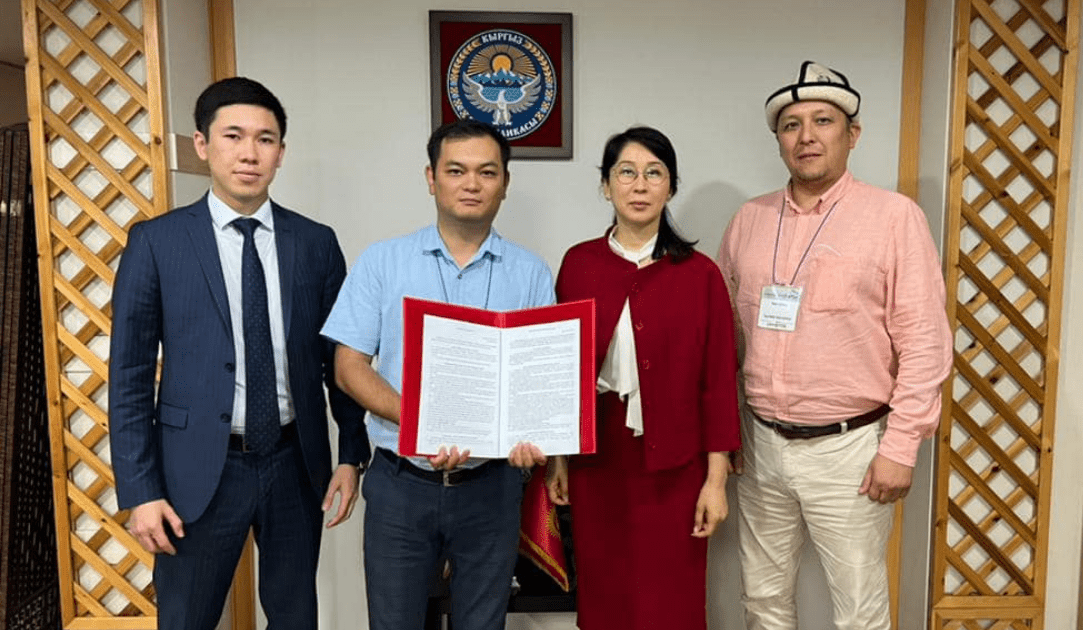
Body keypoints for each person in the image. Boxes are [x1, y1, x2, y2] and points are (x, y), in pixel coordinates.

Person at [109, 77, 371, 630]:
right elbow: (129, 375)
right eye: (233, 136)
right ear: (203, 145)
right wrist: (141, 490)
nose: (249, 153)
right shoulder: (156, 242)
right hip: (195, 470)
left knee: (295, 617)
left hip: (294, 462)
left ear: (281, 152)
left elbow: (339, 361)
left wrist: (351, 454)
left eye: (265, 139)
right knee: (187, 619)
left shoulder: (315, 242)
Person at [717, 61, 953, 630]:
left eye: (823, 121)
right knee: (762, 601)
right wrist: (726, 432)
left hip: (852, 450)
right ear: (779, 141)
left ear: (853, 134)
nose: (807, 136)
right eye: (791, 125)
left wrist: (901, 448)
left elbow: (925, 341)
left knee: (859, 611)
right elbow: (724, 335)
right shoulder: (750, 219)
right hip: (760, 443)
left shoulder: (894, 217)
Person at [320, 118, 555, 630]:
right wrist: (421, 422)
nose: (472, 184)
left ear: (505, 183)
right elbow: (348, 367)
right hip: (401, 485)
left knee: (483, 624)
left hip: (492, 487)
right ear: (431, 178)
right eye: (456, 170)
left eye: (487, 172)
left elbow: (536, 382)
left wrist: (531, 434)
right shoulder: (383, 262)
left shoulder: (531, 272)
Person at [547, 126, 741, 629]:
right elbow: (560, 372)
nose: (639, 185)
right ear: (605, 185)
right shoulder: (578, 264)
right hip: (598, 461)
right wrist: (558, 458)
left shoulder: (699, 274)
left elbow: (719, 382)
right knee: (606, 598)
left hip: (677, 467)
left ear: (671, 186)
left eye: (654, 173)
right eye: (626, 172)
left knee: (671, 602)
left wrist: (715, 480)